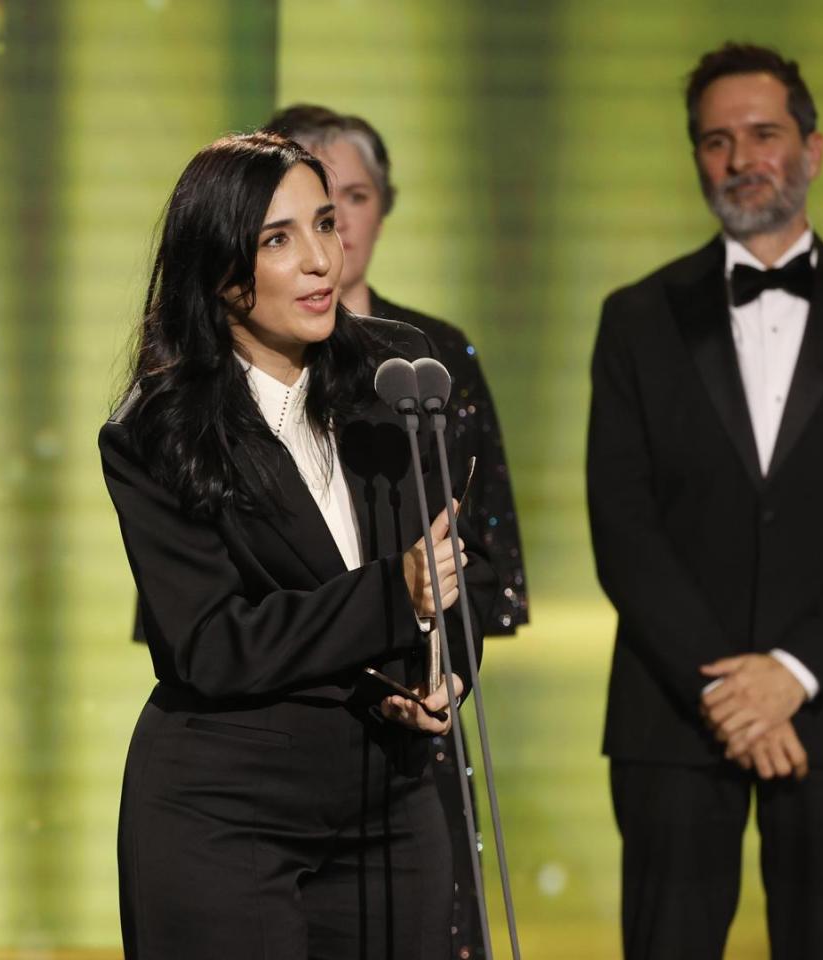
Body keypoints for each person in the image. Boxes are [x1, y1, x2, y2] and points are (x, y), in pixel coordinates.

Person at [586, 43, 823, 960]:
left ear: (812, 150)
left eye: (763, 134)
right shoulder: (636, 318)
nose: (741, 159)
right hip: (673, 712)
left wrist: (792, 673)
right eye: (716, 141)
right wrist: (725, 689)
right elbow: (621, 522)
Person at [102, 131, 497, 958]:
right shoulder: (157, 430)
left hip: (389, 803)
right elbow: (211, 644)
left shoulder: (399, 374)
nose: (321, 260)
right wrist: (395, 595)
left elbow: (465, 563)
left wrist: (445, 674)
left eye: (324, 224)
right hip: (225, 808)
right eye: (278, 240)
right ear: (220, 268)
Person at [265, 103, 530, 958]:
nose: (329, 236)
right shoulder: (220, 387)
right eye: (296, 219)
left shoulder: (430, 360)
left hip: (416, 751)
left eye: (349, 202)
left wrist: (444, 671)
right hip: (275, 756)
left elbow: (480, 556)